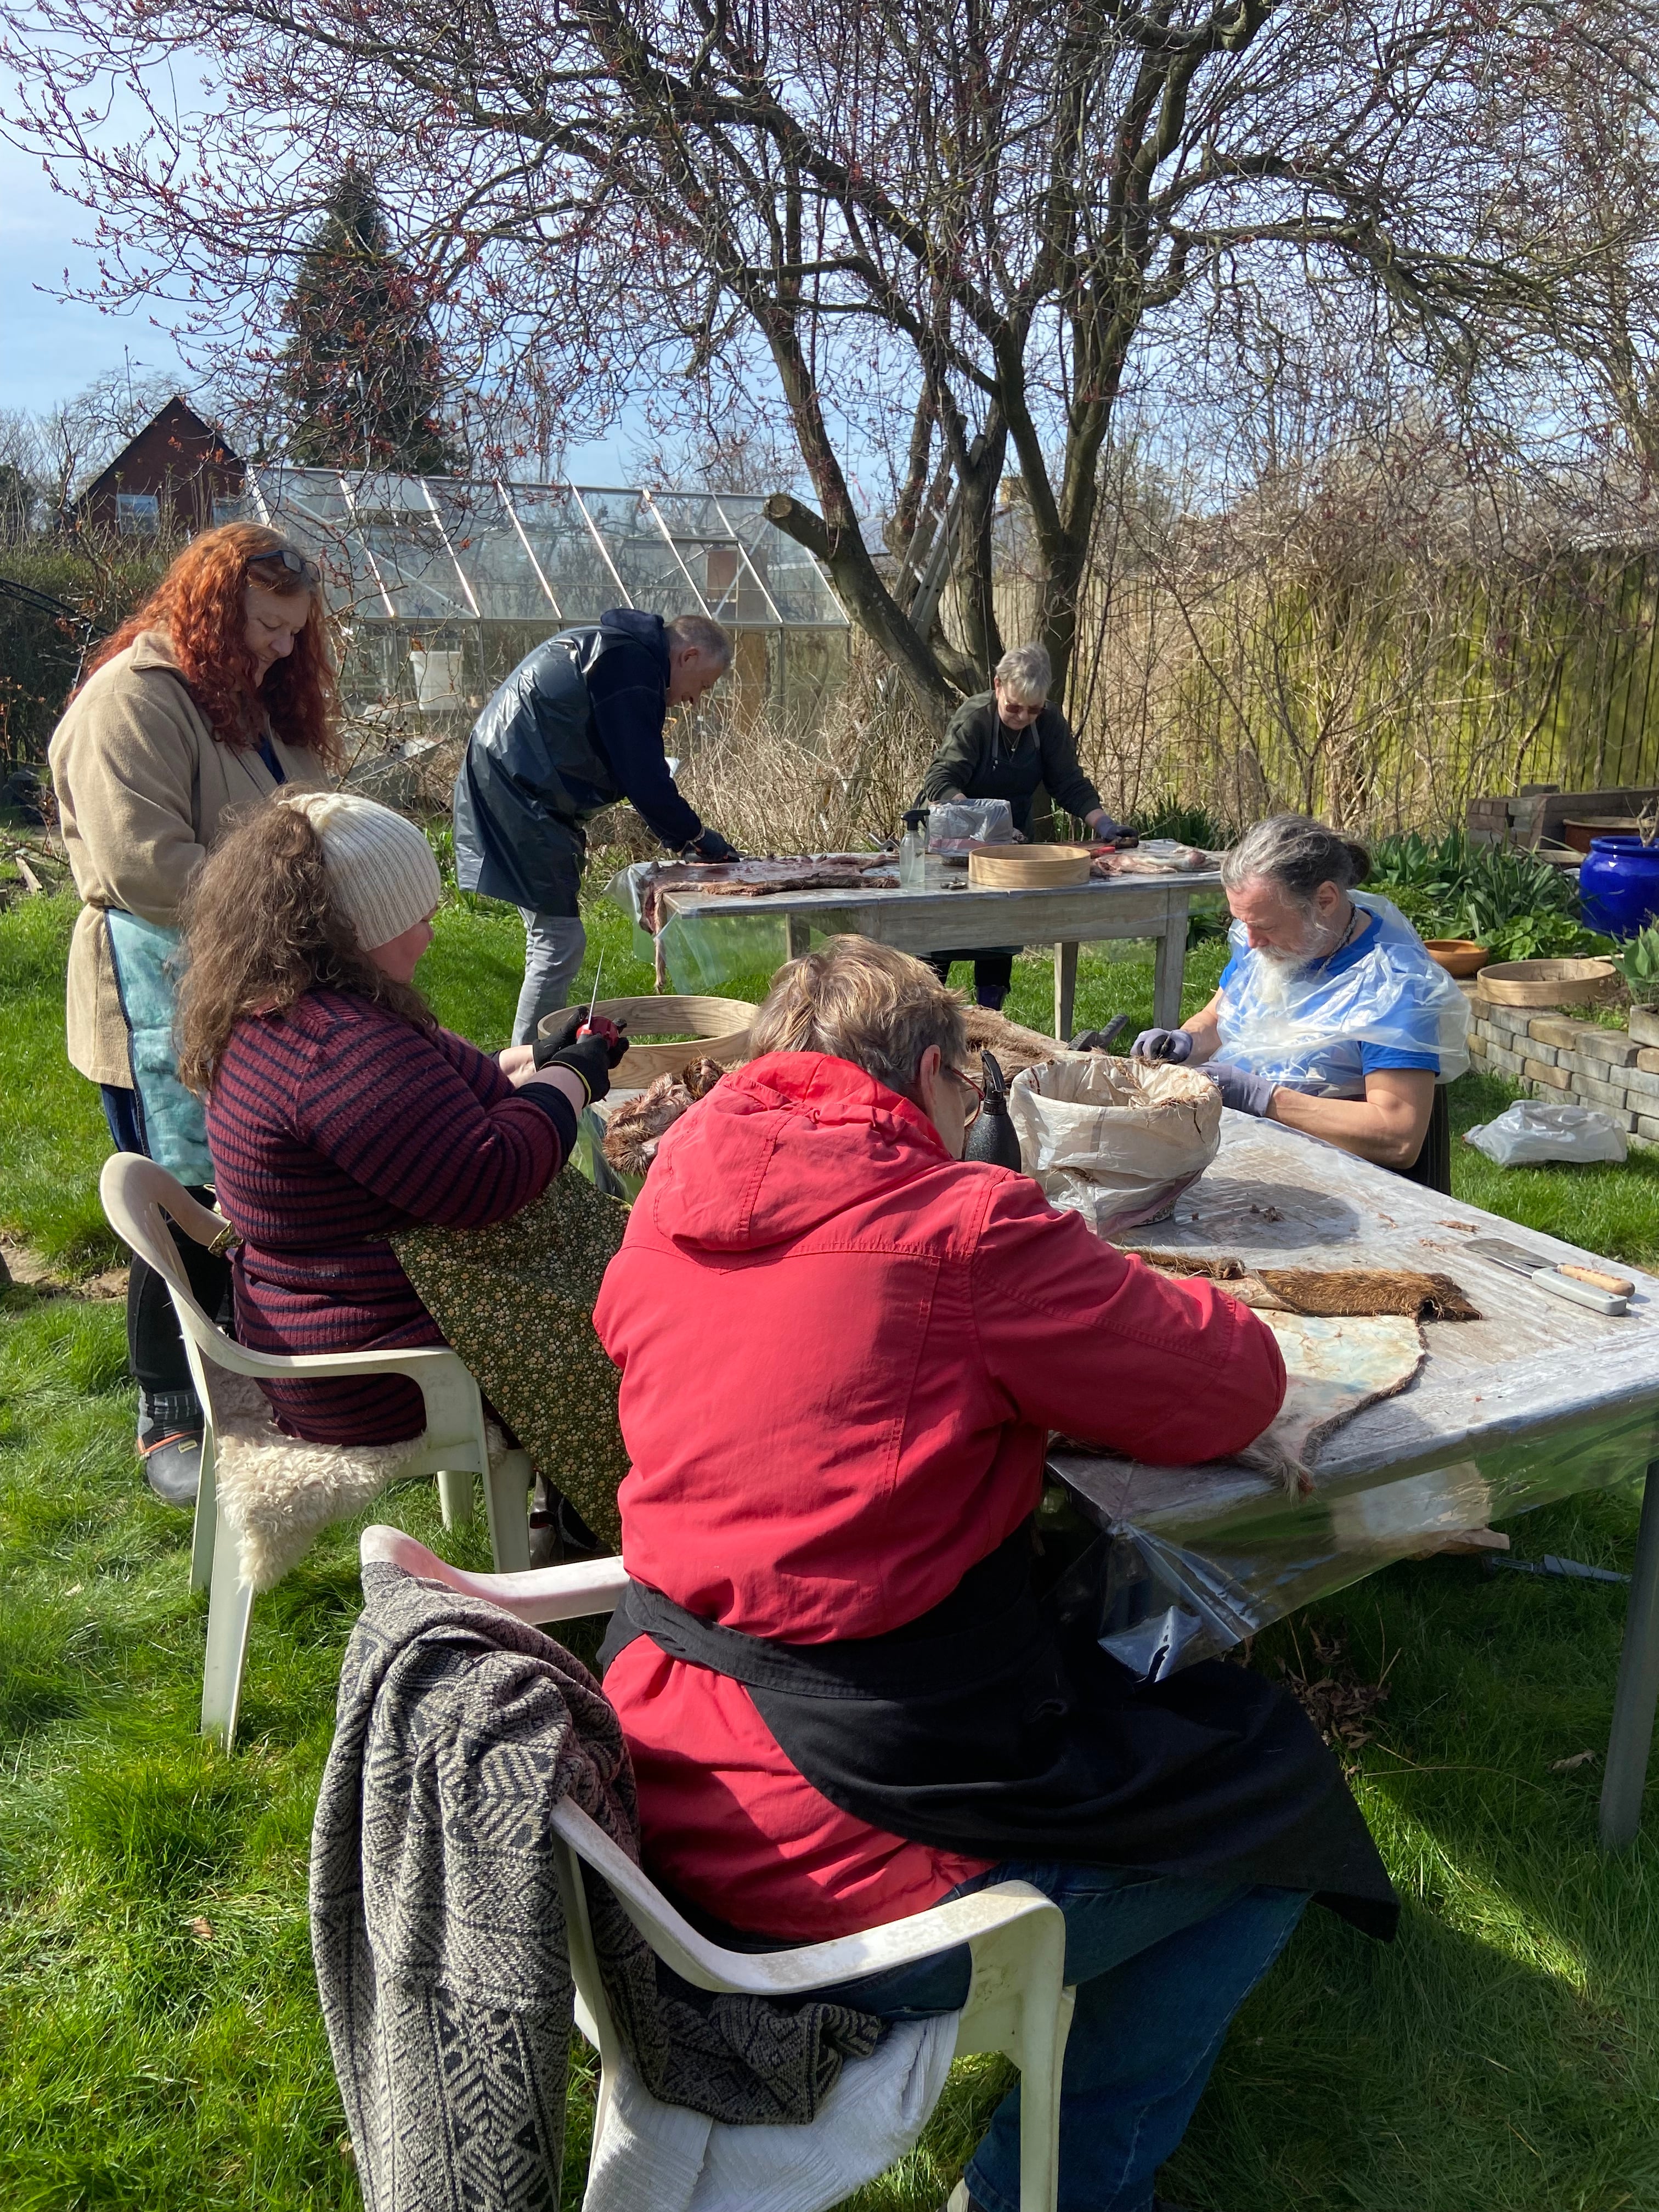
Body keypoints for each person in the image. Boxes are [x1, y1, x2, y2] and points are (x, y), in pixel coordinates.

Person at [592, 936, 1397, 2212]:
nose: (977, 1114)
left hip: (663, 1766)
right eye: (971, 1091)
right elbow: (1230, 1383)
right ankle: (1056, 2193)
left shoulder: (663, 1217)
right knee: (1275, 1815)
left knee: (1136, 1700)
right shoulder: (959, 1226)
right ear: (932, 1074)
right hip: (830, 1833)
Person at [176, 791, 625, 1445]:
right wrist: (574, 1081)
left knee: (624, 1282)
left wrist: (536, 1059)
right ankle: (607, 1507)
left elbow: (423, 1108)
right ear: (362, 929)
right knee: (641, 1322)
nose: (431, 932)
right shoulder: (337, 1049)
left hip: (331, 1316)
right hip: (372, 1365)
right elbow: (487, 1178)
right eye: (417, 916)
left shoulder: (293, 1007)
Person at [48, 523, 336, 1505]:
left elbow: (310, 816)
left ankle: (248, 1376)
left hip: (264, 979)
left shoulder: (256, 706)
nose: (284, 649)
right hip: (159, 981)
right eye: (267, 625)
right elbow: (146, 866)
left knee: (252, 1186)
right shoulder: (130, 703)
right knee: (177, 1199)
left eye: (296, 632)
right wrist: (285, 907)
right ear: (212, 609)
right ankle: (165, 1410)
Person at [452, 608, 741, 1042]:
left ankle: (525, 1066)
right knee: (559, 943)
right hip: (518, 792)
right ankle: (526, 1072)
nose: (695, 699)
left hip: (513, 785)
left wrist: (684, 835)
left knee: (553, 941)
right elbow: (641, 773)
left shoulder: (619, 654)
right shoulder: (629, 663)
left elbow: (630, 765)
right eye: (703, 685)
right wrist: (694, 837)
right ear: (688, 655)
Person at [1131, 814, 1469, 1181]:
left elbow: (1398, 1134)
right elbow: (1220, 1016)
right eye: (1243, 922)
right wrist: (1186, 1040)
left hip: (1345, 1178)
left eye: (1265, 927)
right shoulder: (1262, 935)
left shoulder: (1394, 984)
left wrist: (1263, 1098)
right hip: (1253, 1150)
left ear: (1325, 900)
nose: (1251, 941)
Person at [914, 642, 1121, 1010]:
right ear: (998, 686)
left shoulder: (1050, 724)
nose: (1023, 716)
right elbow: (941, 778)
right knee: (938, 941)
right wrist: (981, 820)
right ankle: (926, 1019)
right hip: (950, 846)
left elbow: (1068, 783)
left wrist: (1104, 825)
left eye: (1034, 709)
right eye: (1014, 707)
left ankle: (990, 1023)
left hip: (1011, 849)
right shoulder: (975, 718)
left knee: (998, 931)